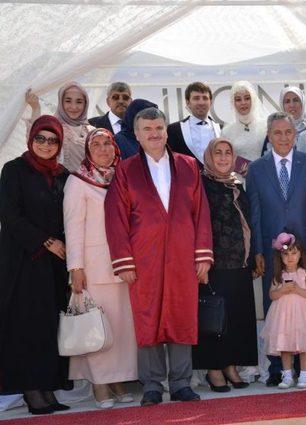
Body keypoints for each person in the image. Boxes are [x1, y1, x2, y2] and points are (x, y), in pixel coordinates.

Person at [104, 107, 213, 406]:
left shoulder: (189, 165)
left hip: (182, 255)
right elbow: (115, 219)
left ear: (166, 131)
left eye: (159, 128)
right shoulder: (125, 170)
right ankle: (152, 385)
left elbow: (201, 213)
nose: (154, 134)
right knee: (148, 316)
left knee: (181, 315)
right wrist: (123, 261)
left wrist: (203, 256)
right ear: (136, 135)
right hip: (143, 258)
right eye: (147, 129)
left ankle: (180, 384)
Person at [246, 112, 306, 386]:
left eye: (288, 132)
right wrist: (257, 250)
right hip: (271, 253)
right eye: (277, 133)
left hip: (304, 252)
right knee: (275, 307)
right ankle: (278, 369)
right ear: (269, 135)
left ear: (295, 135)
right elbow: (254, 213)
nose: (283, 138)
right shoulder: (256, 169)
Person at [0, 115, 70, 415]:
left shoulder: (63, 174)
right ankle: (30, 389)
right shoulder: (14, 169)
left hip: (55, 264)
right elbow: (9, 215)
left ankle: (47, 386)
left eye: (52, 139)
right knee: (27, 325)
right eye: (40, 138)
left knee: (49, 325)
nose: (45, 144)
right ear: (31, 139)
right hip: (24, 260)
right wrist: (46, 241)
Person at [63, 128, 137, 409]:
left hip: (123, 266)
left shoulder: (123, 178)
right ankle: (99, 386)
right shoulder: (77, 181)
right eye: (97, 144)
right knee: (96, 328)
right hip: (92, 268)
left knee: (119, 329)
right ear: (88, 150)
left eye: (108, 143)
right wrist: (76, 268)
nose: (104, 149)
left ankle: (117, 381)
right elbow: (73, 228)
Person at [192, 137, 257, 392]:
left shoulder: (237, 184)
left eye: (227, 153)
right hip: (213, 264)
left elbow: (247, 224)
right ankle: (214, 369)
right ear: (209, 156)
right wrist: (200, 261)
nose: (222, 157)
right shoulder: (201, 185)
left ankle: (230, 365)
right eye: (217, 153)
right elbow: (196, 224)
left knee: (235, 317)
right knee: (213, 318)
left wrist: (252, 258)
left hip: (238, 264)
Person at [261, 233, 306, 389]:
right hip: (284, 317)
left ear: (300, 254)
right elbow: (272, 295)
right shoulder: (279, 276)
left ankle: (304, 374)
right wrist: (283, 290)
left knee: (304, 346)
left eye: (294, 253)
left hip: (302, 316)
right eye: (286, 254)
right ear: (280, 256)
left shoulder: (304, 273)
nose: (290, 257)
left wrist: (298, 290)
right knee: (285, 346)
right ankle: (287, 375)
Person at [26, 82, 95, 172]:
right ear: (61, 103)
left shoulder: (92, 131)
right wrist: (36, 108)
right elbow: (33, 141)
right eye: (68, 101)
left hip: (88, 184)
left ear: (85, 104)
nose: (73, 107)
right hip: (60, 184)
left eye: (79, 102)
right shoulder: (54, 128)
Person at [167, 82, 222, 167]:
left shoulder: (222, 129)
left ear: (210, 102)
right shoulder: (173, 130)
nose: (201, 102)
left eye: (205, 98)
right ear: (188, 102)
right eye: (196, 98)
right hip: (186, 179)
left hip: (217, 180)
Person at [221, 81, 267, 165]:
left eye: (247, 98)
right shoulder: (227, 131)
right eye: (238, 99)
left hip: (263, 175)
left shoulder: (265, 126)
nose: (243, 103)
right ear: (233, 103)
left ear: (253, 100)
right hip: (238, 177)